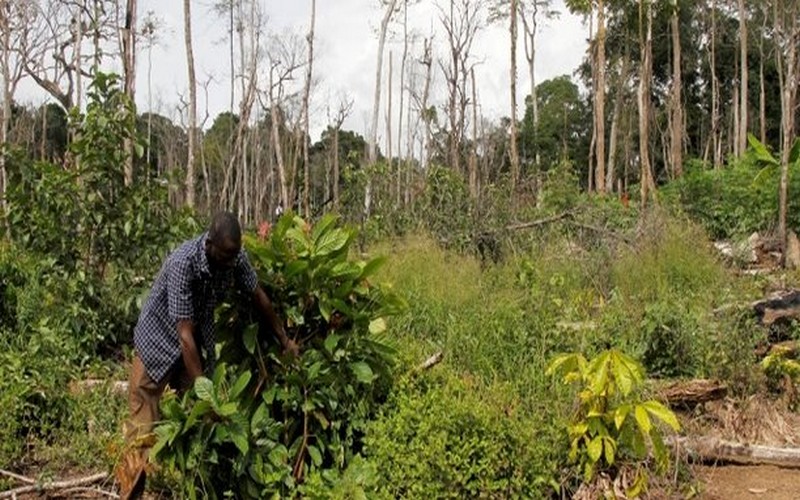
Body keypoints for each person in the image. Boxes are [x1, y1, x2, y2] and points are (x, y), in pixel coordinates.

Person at [116, 211, 298, 500]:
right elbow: (184, 335)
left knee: (198, 421)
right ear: (210, 244)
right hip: (158, 340)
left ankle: (190, 486)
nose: (230, 262)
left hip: (191, 345)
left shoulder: (234, 257)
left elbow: (258, 295)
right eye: (225, 255)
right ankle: (132, 490)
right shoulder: (183, 263)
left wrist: (285, 339)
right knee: (142, 425)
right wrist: (206, 393)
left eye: (234, 255)